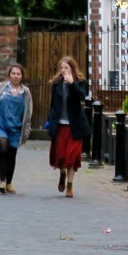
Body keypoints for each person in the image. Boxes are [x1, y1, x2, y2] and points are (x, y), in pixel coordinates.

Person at [0, 64, 33, 194]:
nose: (15, 76)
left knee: (12, 153)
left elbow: (28, 112)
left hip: (16, 127)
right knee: (3, 149)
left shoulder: (25, 92)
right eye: (13, 73)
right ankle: (2, 181)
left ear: (22, 76)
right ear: (9, 75)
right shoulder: (1, 88)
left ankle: (9, 182)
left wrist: (27, 128)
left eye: (18, 74)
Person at [44, 56, 90, 198]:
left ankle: (70, 186)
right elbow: (53, 104)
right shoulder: (57, 83)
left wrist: (72, 83)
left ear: (72, 69)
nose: (64, 70)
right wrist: (50, 119)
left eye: (66, 68)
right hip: (60, 125)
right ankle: (62, 173)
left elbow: (82, 96)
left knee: (71, 156)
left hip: (75, 125)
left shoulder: (80, 82)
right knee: (61, 156)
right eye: (62, 68)